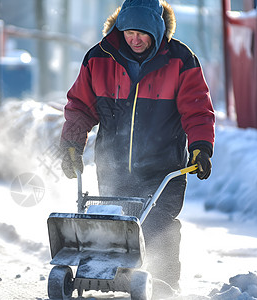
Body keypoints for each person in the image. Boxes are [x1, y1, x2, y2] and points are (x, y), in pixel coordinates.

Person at [60, 0, 215, 291]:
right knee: (115, 226)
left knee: (159, 226)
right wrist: (71, 143)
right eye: (129, 32)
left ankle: (165, 287)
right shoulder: (99, 57)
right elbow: (80, 106)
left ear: (156, 30)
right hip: (114, 166)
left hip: (164, 167)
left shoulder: (181, 60)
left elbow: (197, 109)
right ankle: (114, 280)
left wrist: (201, 146)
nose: (135, 39)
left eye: (142, 33)